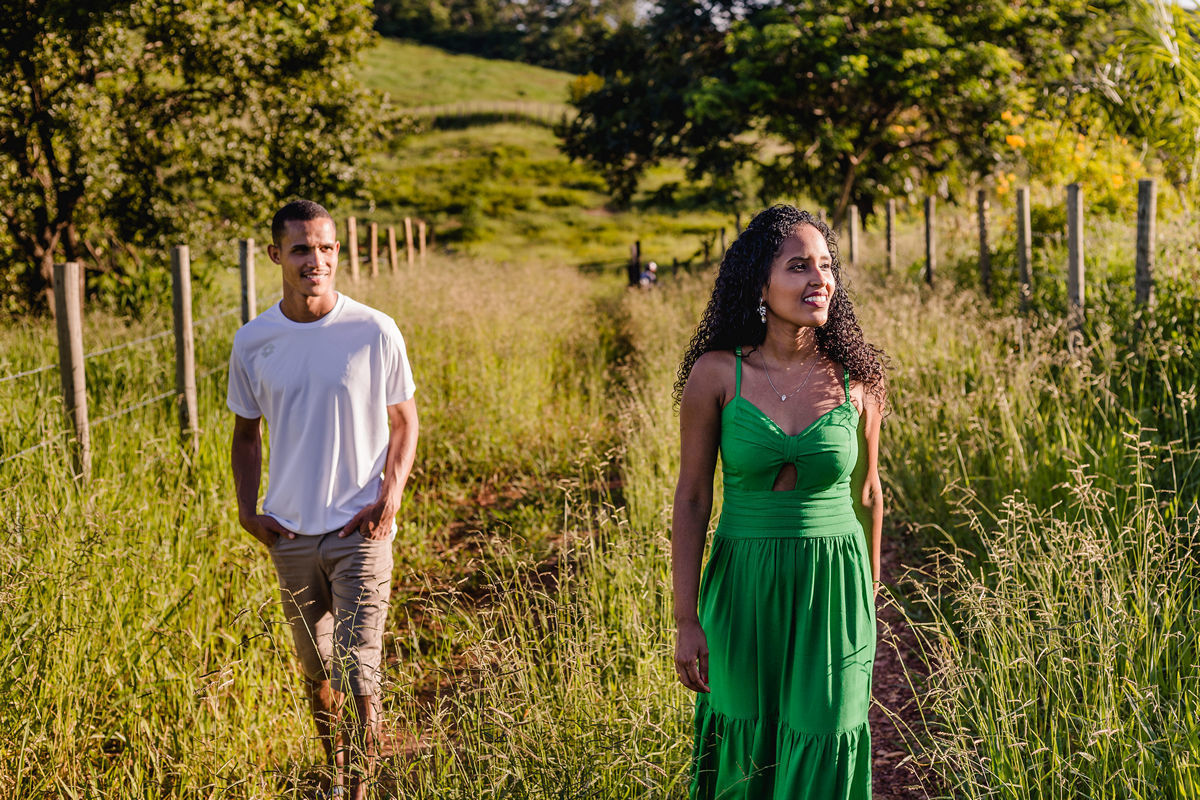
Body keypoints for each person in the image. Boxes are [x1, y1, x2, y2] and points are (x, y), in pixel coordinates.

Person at [671, 205, 885, 799]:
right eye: (798, 267)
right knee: (747, 739)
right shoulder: (717, 376)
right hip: (744, 584)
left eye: (824, 266)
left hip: (834, 585)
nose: (818, 279)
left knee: (828, 729)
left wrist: (865, 595)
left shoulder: (857, 381)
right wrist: (686, 619)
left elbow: (869, 492)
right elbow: (691, 499)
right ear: (760, 285)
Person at [227, 199, 419, 799]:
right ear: (276, 255)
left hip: (359, 529)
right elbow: (244, 432)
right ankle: (334, 774)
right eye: (303, 248)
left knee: (359, 669)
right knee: (316, 675)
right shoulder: (255, 340)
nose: (317, 259)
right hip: (289, 533)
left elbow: (405, 422)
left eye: (327, 247)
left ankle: (362, 787)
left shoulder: (373, 329)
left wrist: (390, 497)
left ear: (339, 252)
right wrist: (247, 511)